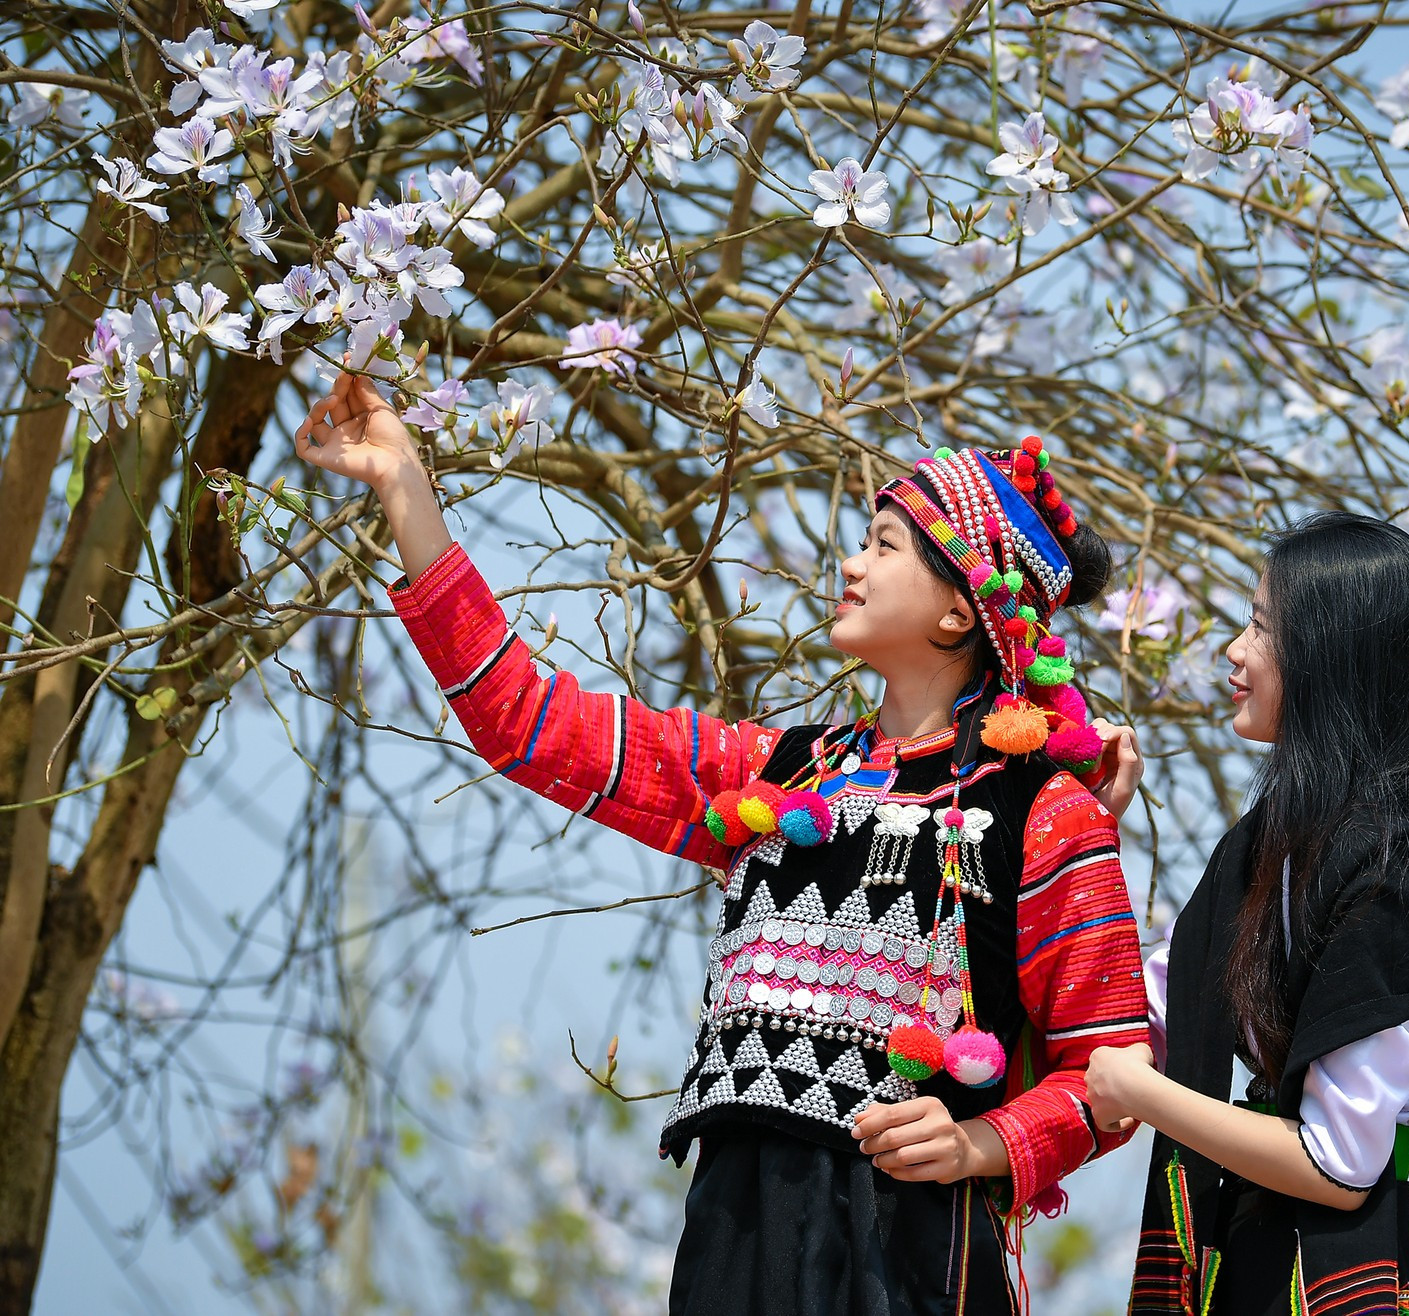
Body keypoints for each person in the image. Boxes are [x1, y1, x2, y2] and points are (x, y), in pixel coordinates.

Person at [292, 370, 1150, 1316]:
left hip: (907, 1252)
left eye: (885, 546)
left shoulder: (1043, 811)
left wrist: (983, 1146)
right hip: (732, 1236)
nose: (851, 566)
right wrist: (405, 487)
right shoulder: (781, 773)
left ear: (961, 610)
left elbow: (1113, 1070)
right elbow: (526, 722)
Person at [1084, 510, 1409, 1316]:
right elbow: (1138, 1010)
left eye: (1260, 627)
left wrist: (1141, 1094)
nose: (1233, 651)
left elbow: (1337, 1164)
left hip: (1333, 1280)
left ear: (1333, 655)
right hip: (1249, 1258)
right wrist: (1084, 831)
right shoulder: (1271, 843)